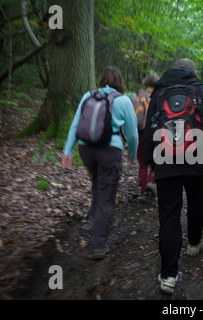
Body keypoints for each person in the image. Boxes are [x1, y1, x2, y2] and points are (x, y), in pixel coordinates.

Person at [143, 58, 203, 294]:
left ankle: (168, 275)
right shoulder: (202, 92)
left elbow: (149, 128)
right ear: (193, 72)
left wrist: (150, 162)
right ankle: (193, 243)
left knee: (169, 215)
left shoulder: (159, 93)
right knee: (195, 202)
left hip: (165, 161)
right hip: (197, 160)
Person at [62, 66, 139, 259]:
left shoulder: (88, 95)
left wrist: (68, 150)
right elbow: (133, 134)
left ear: (101, 80)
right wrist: (132, 153)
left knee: (97, 182)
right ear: (120, 82)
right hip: (109, 150)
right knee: (107, 194)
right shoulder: (123, 100)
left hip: (85, 149)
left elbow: (75, 123)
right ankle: (99, 244)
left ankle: (92, 218)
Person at [133, 72, 160, 197]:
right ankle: (151, 180)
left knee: (143, 164)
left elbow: (135, 118)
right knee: (157, 162)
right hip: (157, 134)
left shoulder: (139, 97)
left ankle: (143, 190)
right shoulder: (160, 96)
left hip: (141, 134)